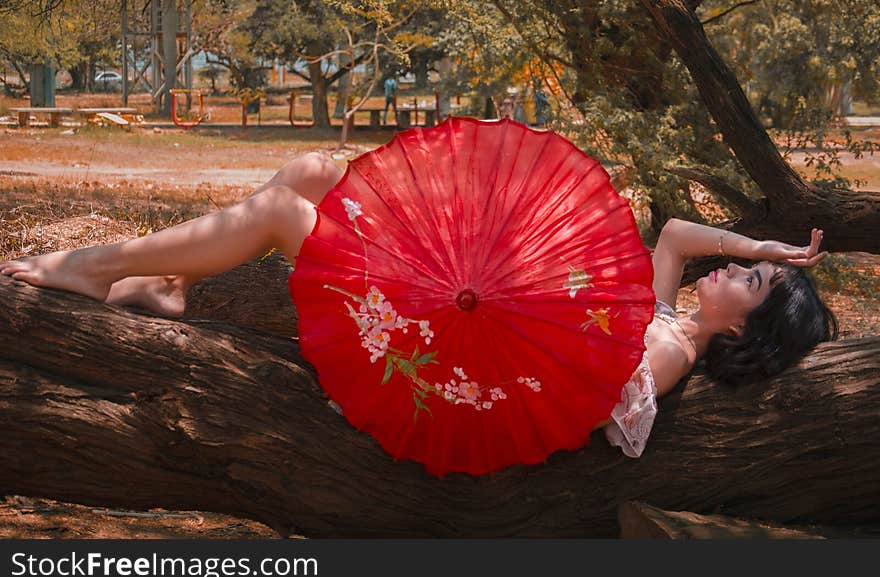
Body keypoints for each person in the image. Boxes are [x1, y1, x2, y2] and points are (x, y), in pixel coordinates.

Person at [0, 153, 836, 458]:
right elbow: (681, 233)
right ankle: (177, 283)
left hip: (437, 375)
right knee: (317, 172)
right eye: (745, 271)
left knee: (284, 214)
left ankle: (95, 269)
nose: (731, 273)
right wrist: (764, 250)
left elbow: (564, 403)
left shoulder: (669, 353)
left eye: (748, 287)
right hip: (454, 323)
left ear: (741, 329)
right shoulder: (666, 315)